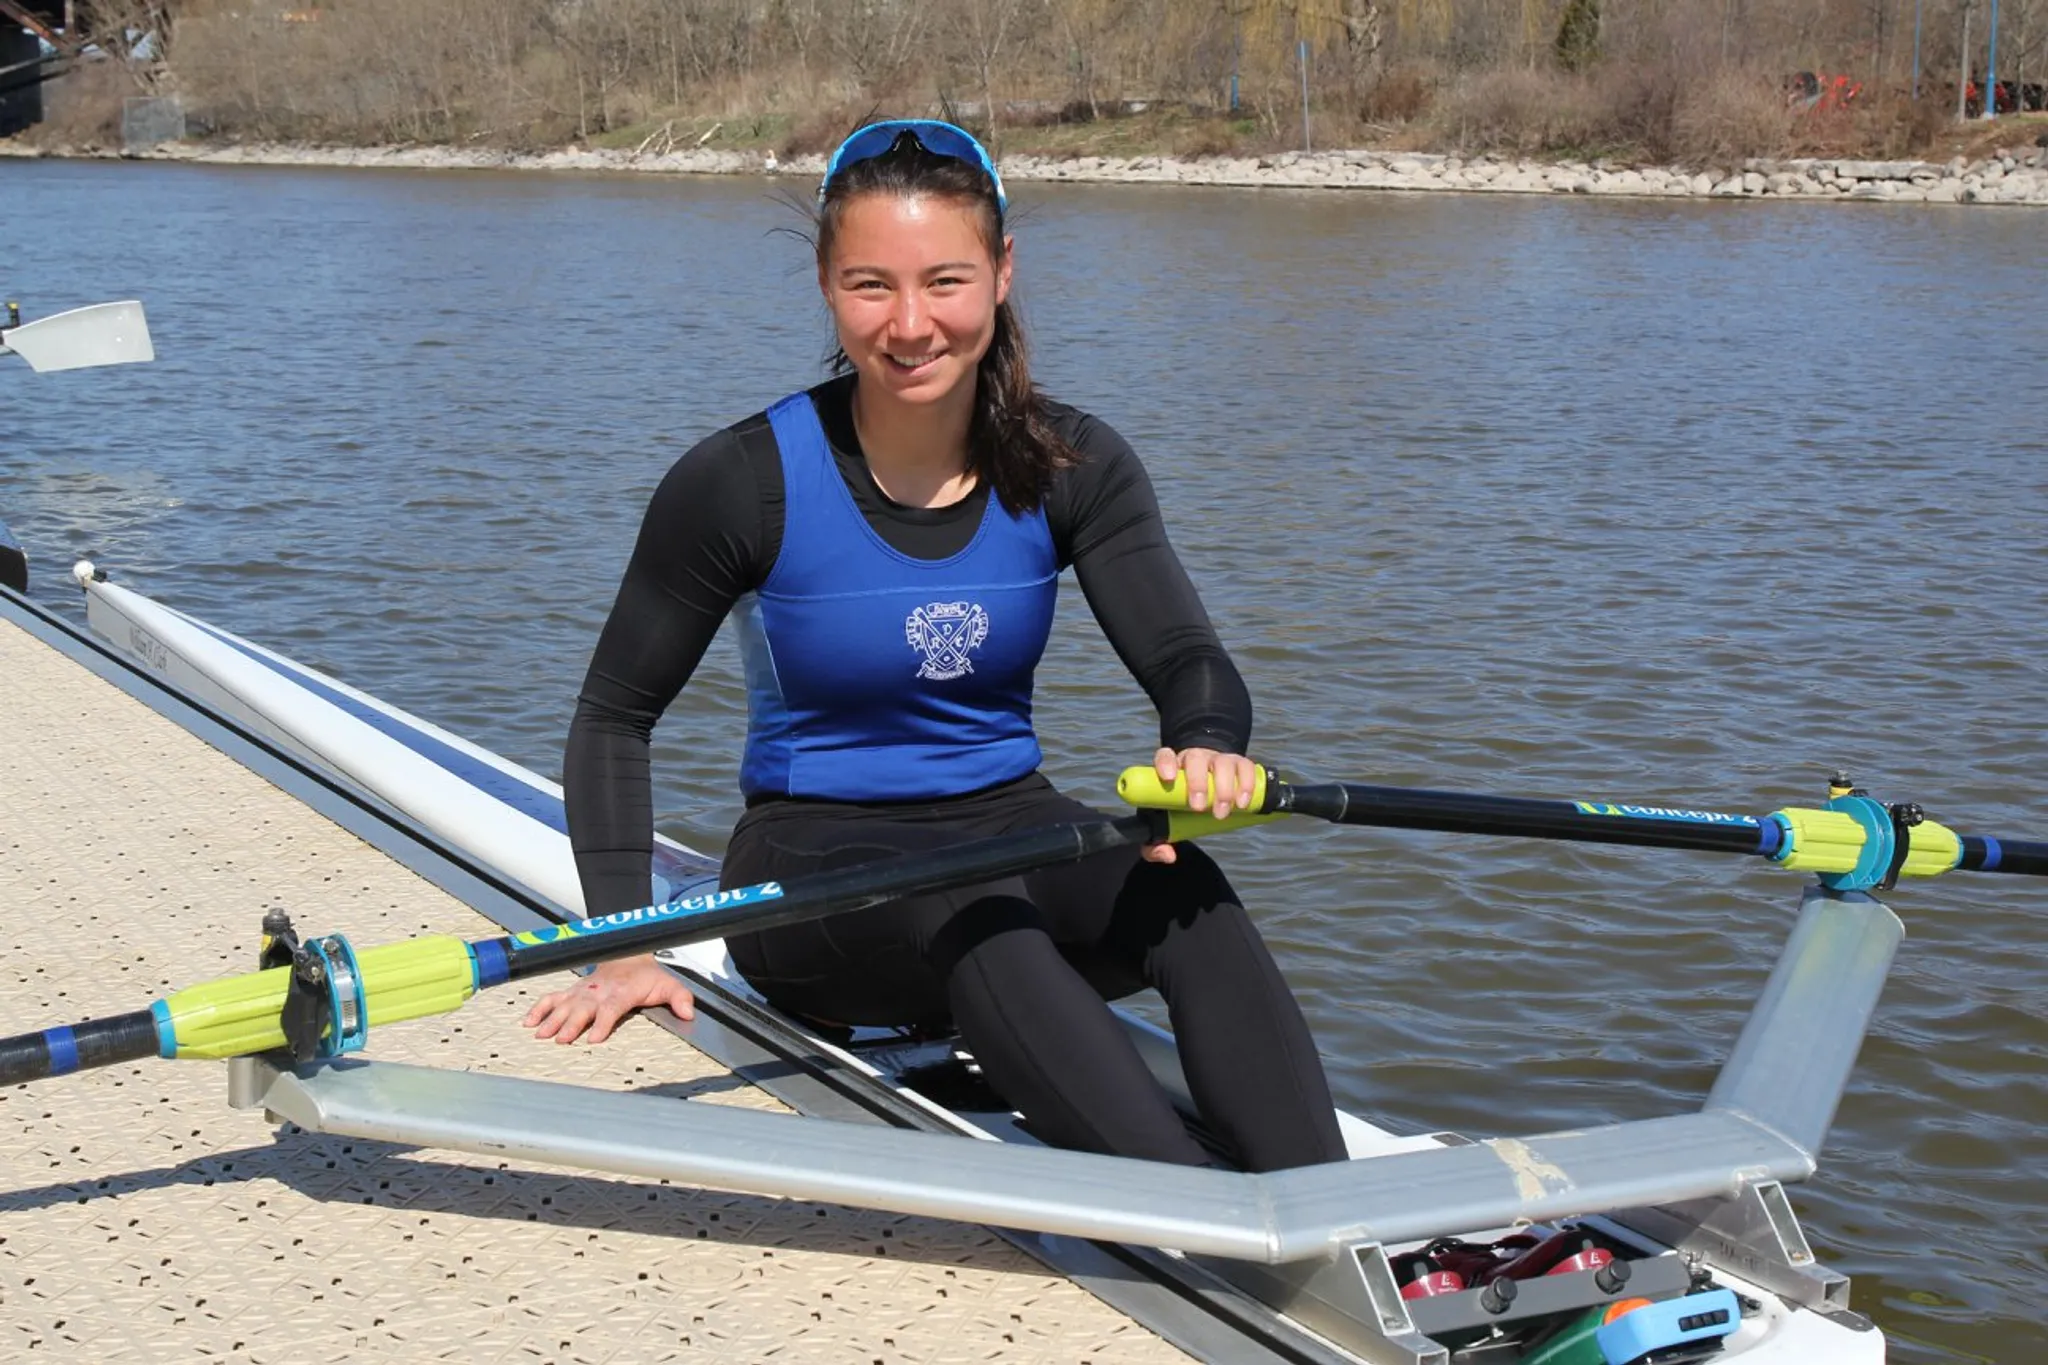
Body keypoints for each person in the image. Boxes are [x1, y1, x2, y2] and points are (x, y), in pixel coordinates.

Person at [524, 120, 1347, 1172]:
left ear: (1001, 274)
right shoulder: (740, 480)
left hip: (1009, 828)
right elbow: (613, 717)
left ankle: (1323, 1205)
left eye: (944, 281)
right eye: (871, 285)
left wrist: (1202, 744)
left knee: (1180, 888)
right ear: (825, 283)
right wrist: (621, 947)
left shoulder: (1073, 463)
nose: (910, 325)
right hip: (807, 874)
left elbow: (1187, 656)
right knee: (970, 905)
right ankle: (1213, 1225)